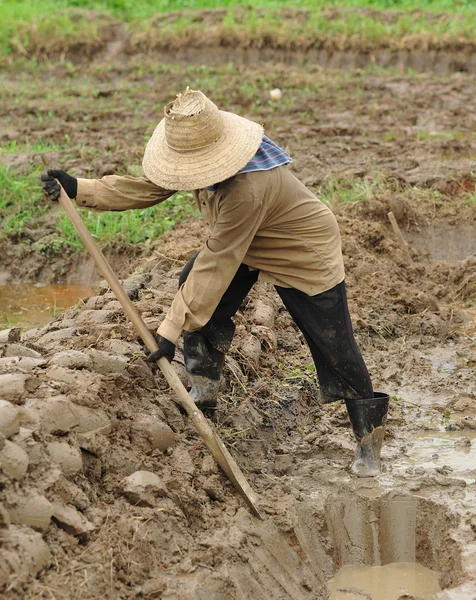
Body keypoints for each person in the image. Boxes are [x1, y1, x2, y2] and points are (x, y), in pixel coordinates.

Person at [41, 88, 389, 477]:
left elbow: (218, 260)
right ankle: (205, 386)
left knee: (334, 343)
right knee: (196, 284)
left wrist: (168, 330)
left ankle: (368, 439)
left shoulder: (248, 188)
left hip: (302, 251)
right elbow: (153, 187)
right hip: (247, 242)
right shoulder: (201, 156)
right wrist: (80, 188)